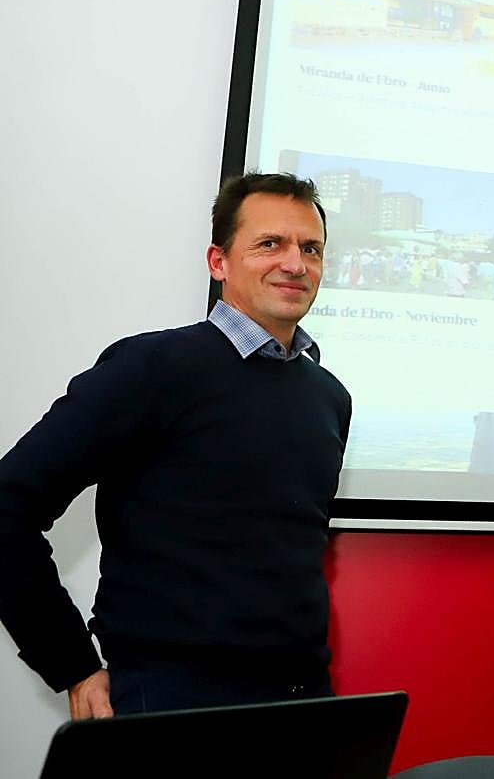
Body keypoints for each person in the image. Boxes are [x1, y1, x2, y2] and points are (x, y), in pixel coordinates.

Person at [0, 172, 351, 718]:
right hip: (171, 706)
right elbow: (8, 506)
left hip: (301, 699)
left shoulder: (329, 397)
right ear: (218, 262)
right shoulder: (152, 369)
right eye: (269, 244)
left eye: (311, 249)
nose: (295, 263)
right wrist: (72, 665)